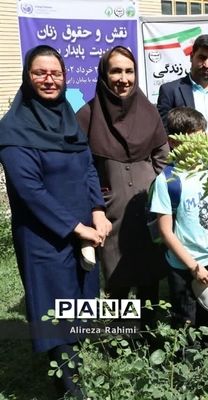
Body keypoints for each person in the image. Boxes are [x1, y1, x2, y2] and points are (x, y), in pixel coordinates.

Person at [0, 45, 111, 398]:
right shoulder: (13, 129)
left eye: (56, 73)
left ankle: (69, 358)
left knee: (79, 296)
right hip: (42, 235)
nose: (49, 79)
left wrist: (97, 211)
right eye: (40, 73)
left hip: (83, 228)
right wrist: (77, 228)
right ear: (27, 77)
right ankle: (67, 384)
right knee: (53, 302)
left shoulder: (69, 117)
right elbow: (29, 191)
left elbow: (88, 167)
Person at [76, 46, 170, 329]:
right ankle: (121, 333)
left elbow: (162, 155)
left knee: (149, 273)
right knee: (116, 272)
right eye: (116, 70)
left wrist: (149, 182)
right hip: (109, 208)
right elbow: (83, 166)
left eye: (129, 71)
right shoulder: (87, 115)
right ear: (104, 75)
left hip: (148, 204)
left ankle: (148, 328)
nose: (123, 78)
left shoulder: (148, 110)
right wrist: (101, 197)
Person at [150, 106, 208, 350]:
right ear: (175, 142)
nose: (204, 139)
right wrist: (193, 267)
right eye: (197, 134)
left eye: (204, 132)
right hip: (183, 268)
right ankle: (186, 362)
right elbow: (166, 231)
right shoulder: (167, 181)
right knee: (186, 317)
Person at [157, 34, 208, 132]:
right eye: (202, 58)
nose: (206, 65)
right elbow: (163, 131)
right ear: (191, 57)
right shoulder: (170, 91)